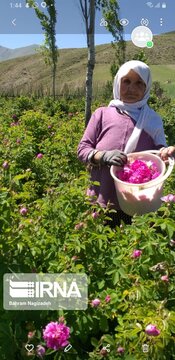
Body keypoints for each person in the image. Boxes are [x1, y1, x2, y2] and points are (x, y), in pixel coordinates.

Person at [77, 60, 175, 227]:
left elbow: (159, 157)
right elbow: (82, 150)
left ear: (146, 88)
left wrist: (166, 154)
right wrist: (103, 156)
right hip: (101, 198)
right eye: (126, 81)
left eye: (139, 83)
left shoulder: (153, 120)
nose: (132, 88)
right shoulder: (102, 114)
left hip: (138, 202)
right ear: (118, 82)